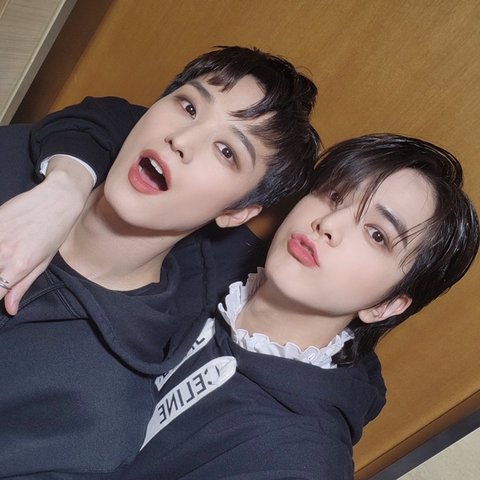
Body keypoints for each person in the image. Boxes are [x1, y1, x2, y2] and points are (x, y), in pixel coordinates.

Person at [8, 134, 478, 480]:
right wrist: (64, 186)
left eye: (376, 234)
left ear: (387, 306)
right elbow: (117, 123)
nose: (330, 223)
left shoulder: (295, 459)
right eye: (334, 195)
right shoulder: (216, 250)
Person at [0, 46, 322, 477]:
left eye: (226, 151)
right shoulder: (24, 154)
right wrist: (64, 183)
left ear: (236, 212)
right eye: (188, 107)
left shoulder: (99, 409)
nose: (182, 141)